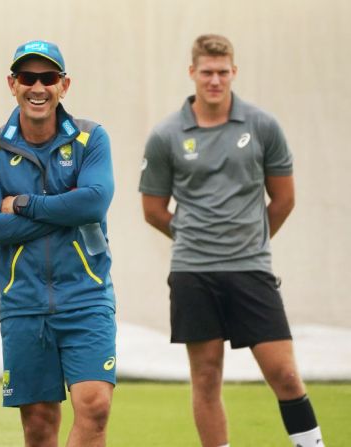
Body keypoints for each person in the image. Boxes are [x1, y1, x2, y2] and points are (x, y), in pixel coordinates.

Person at [139, 34, 325, 447]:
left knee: (285, 373)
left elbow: (284, 198)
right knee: (206, 377)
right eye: (207, 72)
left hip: (251, 269)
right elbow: (152, 209)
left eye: (223, 72)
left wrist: (248, 240)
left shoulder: (262, 125)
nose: (215, 80)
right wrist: (195, 237)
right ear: (192, 73)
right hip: (193, 272)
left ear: (234, 73)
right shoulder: (166, 135)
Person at [0, 40, 116, 447]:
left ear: (64, 85)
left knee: (95, 405)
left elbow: (94, 201)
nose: (38, 87)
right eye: (28, 77)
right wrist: (62, 213)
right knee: (38, 427)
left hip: (87, 297)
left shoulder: (90, 138)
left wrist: (23, 204)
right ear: (12, 84)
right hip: (23, 304)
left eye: (47, 78)